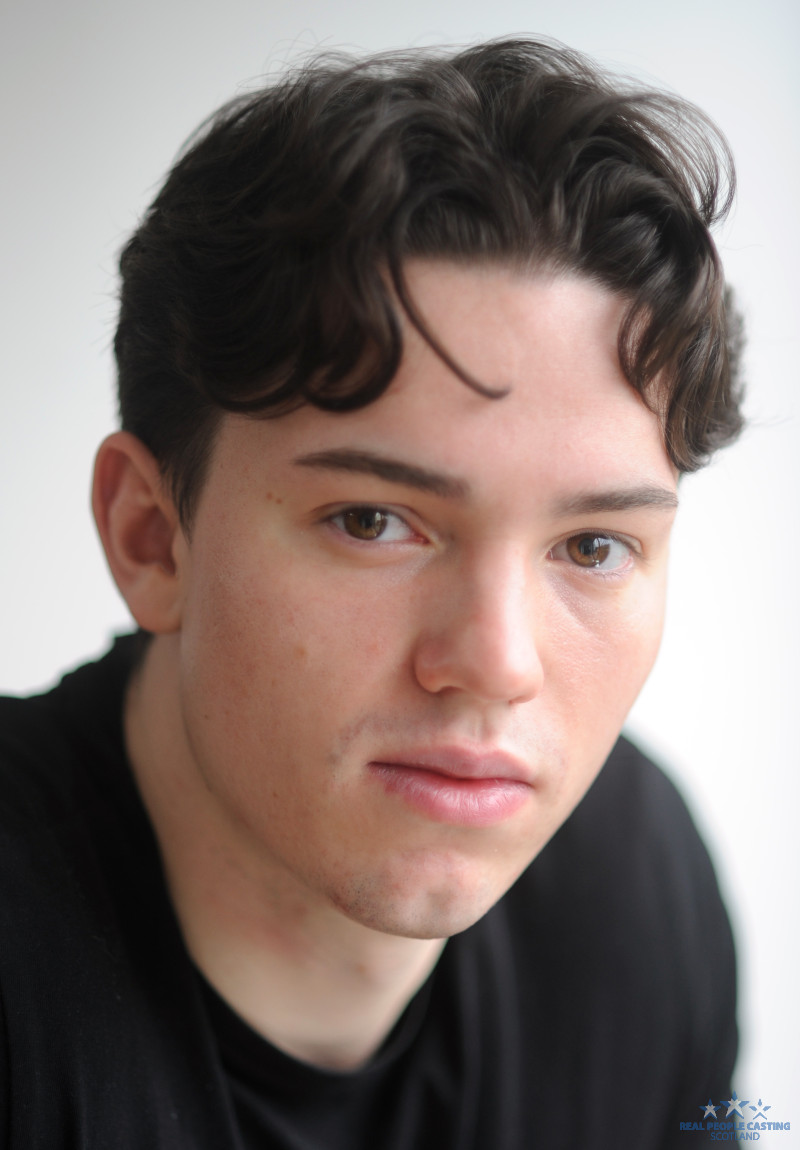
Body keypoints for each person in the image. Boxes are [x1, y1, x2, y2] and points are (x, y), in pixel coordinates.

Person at [0, 38, 743, 1149]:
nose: (496, 662)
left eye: (592, 545)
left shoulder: (635, 888)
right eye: (372, 522)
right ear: (151, 537)